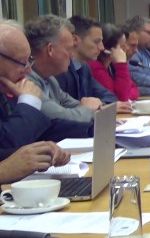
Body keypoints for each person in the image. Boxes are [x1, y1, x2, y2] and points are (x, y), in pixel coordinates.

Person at [0, 20, 92, 148]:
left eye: (29, 61)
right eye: (22, 62)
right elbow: (7, 142)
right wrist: (28, 102)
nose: (28, 70)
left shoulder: (8, 86)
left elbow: (43, 128)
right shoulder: (18, 86)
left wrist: (91, 130)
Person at [24, 15, 120, 123]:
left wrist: (94, 107)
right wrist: (89, 108)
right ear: (50, 49)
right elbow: (63, 117)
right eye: (68, 49)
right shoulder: (27, 81)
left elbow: (74, 105)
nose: (71, 55)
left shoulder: (50, 80)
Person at [54, 15, 123, 109]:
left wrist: (99, 104)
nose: (102, 47)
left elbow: (110, 97)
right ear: (75, 40)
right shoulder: (59, 70)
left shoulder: (84, 67)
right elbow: (60, 109)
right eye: (96, 42)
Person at [89, 23, 137, 101]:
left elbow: (134, 88)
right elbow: (121, 98)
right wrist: (121, 64)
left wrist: (128, 95)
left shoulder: (112, 65)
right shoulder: (95, 67)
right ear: (108, 49)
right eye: (122, 46)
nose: (127, 48)